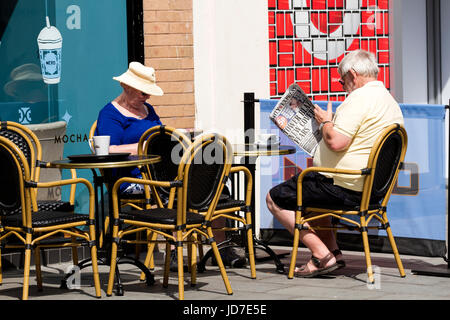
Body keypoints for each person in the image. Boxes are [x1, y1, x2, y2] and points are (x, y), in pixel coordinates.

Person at [266, 49, 404, 277]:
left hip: (346, 187)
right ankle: (333, 252)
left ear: (352, 74)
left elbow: (336, 141)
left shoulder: (359, 99)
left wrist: (325, 122)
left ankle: (322, 255)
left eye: (342, 81)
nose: (343, 86)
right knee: (313, 184)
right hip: (372, 190)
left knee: (275, 198)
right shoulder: (389, 101)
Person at [95, 61, 163, 195]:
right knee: (182, 186)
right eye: (144, 93)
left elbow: (161, 136)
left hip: (158, 172)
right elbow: (108, 150)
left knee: (201, 175)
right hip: (131, 179)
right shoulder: (110, 114)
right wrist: (145, 147)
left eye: (149, 93)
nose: (148, 97)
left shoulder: (148, 109)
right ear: (126, 86)